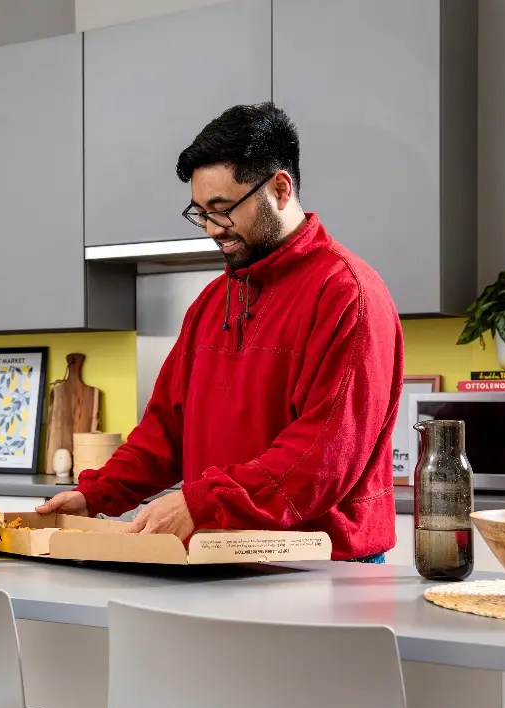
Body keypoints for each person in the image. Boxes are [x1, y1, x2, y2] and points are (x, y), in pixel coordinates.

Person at [39, 102, 403, 563]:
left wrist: (202, 503)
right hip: (217, 558)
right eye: (200, 212)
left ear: (280, 188)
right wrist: (97, 495)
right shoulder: (212, 303)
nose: (212, 228)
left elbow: (319, 460)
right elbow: (166, 433)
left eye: (223, 209)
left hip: (321, 566)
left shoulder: (348, 295)